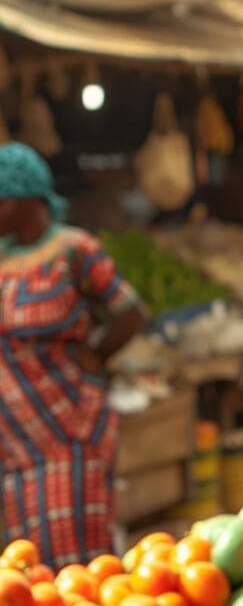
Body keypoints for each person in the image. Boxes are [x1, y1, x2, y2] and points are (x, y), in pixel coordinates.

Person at [0, 142, 145, 567]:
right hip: (14, 444)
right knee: (25, 569)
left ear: (27, 200)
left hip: (68, 432)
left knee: (75, 566)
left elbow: (130, 313)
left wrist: (97, 355)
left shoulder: (74, 249)